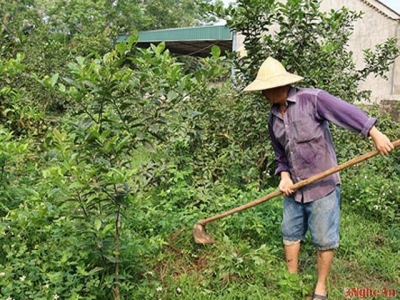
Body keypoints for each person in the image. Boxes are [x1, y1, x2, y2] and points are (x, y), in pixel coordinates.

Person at [243, 57, 394, 300]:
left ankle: (320, 288)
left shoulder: (312, 99)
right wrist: (283, 176)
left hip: (323, 186)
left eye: (269, 90)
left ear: (282, 85)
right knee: (289, 233)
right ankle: (290, 281)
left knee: (324, 238)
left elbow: (346, 112)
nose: (267, 95)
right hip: (295, 188)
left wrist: (374, 133)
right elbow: (280, 153)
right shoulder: (273, 118)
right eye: (264, 91)